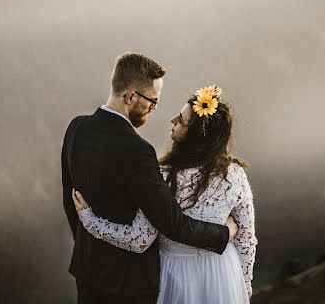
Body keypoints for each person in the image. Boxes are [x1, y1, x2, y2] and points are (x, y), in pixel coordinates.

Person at [61, 52, 239, 304]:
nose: (154, 108)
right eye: (152, 101)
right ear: (131, 96)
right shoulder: (138, 150)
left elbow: (70, 200)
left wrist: (89, 248)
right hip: (128, 285)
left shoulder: (76, 128)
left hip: (87, 271)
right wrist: (224, 233)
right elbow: (172, 223)